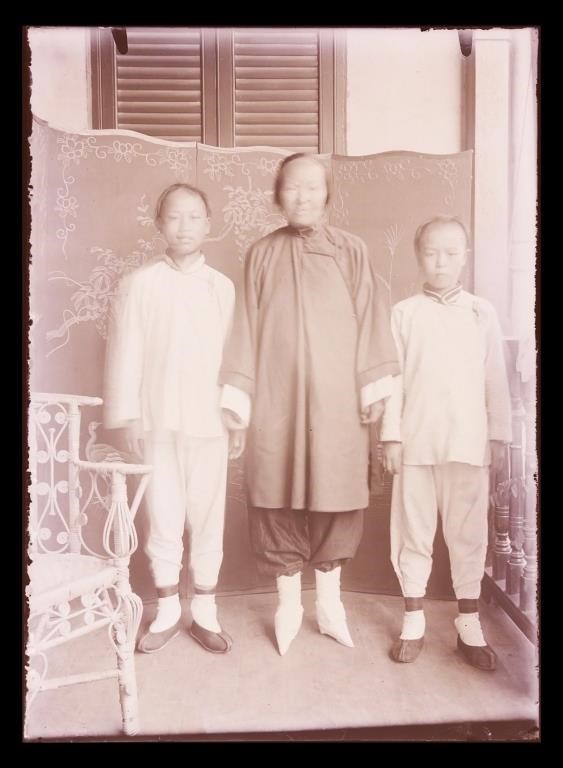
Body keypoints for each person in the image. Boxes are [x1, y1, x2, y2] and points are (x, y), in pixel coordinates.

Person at [220, 153, 400, 655]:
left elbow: (371, 321)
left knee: (337, 492)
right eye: (292, 188)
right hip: (277, 396)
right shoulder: (260, 253)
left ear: (327, 195)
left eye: (312, 188)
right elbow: (245, 330)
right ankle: (287, 605)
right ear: (278, 196)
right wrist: (239, 402)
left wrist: (373, 390)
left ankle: (329, 605)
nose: (302, 197)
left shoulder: (352, 251)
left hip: (338, 399)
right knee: (273, 489)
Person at [104, 183, 237, 654]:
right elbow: (126, 353)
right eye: (175, 217)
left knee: (207, 513)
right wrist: (129, 416)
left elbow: (235, 356)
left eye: (194, 217)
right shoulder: (140, 284)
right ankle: (166, 609)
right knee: (163, 512)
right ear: (159, 223)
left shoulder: (222, 287)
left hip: (209, 420)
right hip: (157, 418)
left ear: (208, 224)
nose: (184, 226)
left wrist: (235, 414)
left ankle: (205, 610)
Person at [380, 215, 512, 670]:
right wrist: (391, 437)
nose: (441, 261)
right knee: (413, 530)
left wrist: (497, 434)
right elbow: (393, 382)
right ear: (419, 256)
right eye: (432, 252)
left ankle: (468, 622)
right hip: (416, 440)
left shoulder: (481, 312)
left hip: (468, 441)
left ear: (465, 258)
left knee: (467, 532)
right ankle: (413, 618)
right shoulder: (404, 313)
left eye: (452, 253)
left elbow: (495, 377)